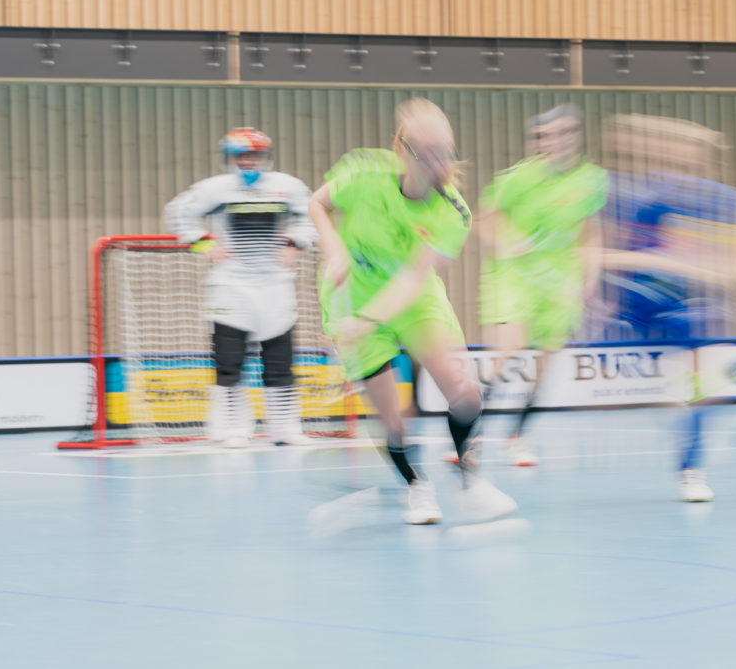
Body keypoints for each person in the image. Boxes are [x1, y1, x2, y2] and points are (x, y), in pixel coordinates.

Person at [309, 97, 517, 525]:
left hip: (413, 298)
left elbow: (411, 281)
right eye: (429, 154)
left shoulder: (452, 209)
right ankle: (416, 487)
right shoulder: (363, 174)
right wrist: (333, 248)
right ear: (402, 148)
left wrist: (365, 322)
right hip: (354, 294)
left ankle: (469, 479)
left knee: (464, 391)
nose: (441, 164)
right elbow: (317, 204)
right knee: (392, 416)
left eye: (448, 152)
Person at [599, 114, 736, 503]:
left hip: (701, 308)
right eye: (669, 160)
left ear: (705, 162)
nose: (676, 169)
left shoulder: (725, 201)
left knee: (708, 388)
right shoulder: (641, 201)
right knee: (675, 394)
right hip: (645, 306)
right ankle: (682, 433)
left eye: (687, 161)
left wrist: (728, 266)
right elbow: (613, 254)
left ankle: (690, 467)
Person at [164, 128, 317, 446]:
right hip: (230, 286)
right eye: (242, 155)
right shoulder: (213, 189)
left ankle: (285, 429)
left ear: (266, 156)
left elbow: (313, 216)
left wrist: (296, 244)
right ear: (229, 158)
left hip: (276, 286)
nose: (249, 161)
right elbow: (177, 213)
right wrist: (204, 246)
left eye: (255, 154)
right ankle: (232, 429)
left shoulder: (287, 187)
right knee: (229, 362)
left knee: (279, 362)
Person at [476, 104, 607, 466]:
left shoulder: (591, 180)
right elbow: (486, 221)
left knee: (545, 364)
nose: (552, 142)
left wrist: (590, 279)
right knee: (507, 353)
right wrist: (506, 239)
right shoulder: (515, 179)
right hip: (514, 276)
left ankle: (516, 437)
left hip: (561, 282)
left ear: (574, 137)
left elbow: (590, 233)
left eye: (561, 134)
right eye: (544, 136)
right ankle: (468, 435)